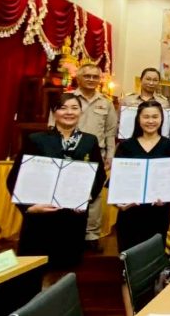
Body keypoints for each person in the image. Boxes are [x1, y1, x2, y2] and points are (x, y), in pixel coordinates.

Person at [8, 93, 106, 277]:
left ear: (81, 112)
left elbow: (99, 176)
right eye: (63, 108)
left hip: (72, 220)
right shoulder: (37, 139)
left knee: (65, 275)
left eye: (74, 108)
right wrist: (28, 207)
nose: (69, 112)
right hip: (40, 219)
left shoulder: (89, 141)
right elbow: (14, 178)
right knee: (33, 274)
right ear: (54, 112)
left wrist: (87, 198)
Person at [49, 63, 117, 252]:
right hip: (67, 151)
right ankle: (64, 232)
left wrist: (110, 154)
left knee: (93, 194)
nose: (91, 80)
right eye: (87, 76)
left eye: (95, 77)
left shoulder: (106, 102)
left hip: (95, 153)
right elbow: (52, 125)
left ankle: (91, 235)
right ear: (78, 78)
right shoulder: (67, 99)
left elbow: (111, 131)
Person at [113, 100, 170, 252]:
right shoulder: (125, 146)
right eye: (146, 117)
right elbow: (117, 181)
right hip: (130, 213)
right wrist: (119, 204)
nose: (150, 121)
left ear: (162, 119)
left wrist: (169, 199)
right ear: (138, 119)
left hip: (158, 213)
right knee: (129, 255)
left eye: (155, 117)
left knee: (153, 255)